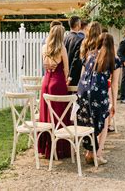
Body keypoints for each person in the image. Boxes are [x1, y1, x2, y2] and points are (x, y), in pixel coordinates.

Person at [77, 33, 121, 165]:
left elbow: (82, 75)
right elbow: (114, 84)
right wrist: (114, 104)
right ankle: (98, 154)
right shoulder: (114, 59)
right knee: (104, 122)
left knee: (89, 121)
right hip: (98, 92)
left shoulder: (90, 55)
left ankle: (89, 152)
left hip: (83, 91)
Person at [38, 25, 71, 159]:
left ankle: (46, 147)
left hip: (46, 82)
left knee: (46, 115)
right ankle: (59, 149)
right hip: (57, 83)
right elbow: (66, 69)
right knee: (59, 114)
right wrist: (67, 80)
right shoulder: (62, 48)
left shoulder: (44, 47)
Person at [64, 16, 84, 86]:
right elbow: (76, 60)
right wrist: (70, 77)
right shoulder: (80, 40)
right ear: (78, 25)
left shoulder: (64, 38)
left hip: (63, 74)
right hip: (74, 76)